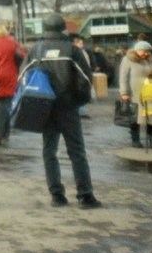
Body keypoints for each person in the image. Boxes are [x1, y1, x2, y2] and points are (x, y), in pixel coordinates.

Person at [27, 13, 101, 209]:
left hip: (44, 106)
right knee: (77, 151)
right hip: (67, 107)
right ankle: (85, 195)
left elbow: (24, 77)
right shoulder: (72, 50)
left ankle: (57, 195)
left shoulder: (36, 49)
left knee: (49, 150)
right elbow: (85, 79)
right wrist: (78, 100)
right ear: (62, 29)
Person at [0, 24, 26, 145]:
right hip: (11, 75)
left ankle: (0, 132)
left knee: (0, 105)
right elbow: (23, 56)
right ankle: (4, 133)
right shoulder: (13, 43)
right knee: (6, 103)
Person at [119, 40, 152, 148]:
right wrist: (124, 92)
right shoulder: (127, 60)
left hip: (150, 92)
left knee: (151, 116)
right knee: (135, 117)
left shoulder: (150, 60)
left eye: (148, 51)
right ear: (137, 50)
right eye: (144, 51)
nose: (146, 53)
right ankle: (135, 139)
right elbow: (123, 77)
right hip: (134, 93)